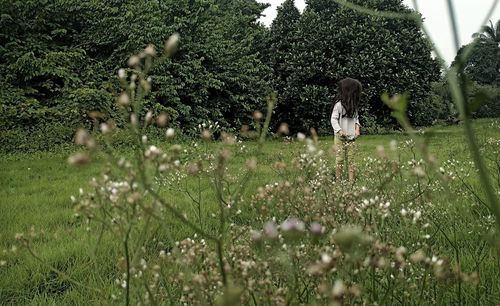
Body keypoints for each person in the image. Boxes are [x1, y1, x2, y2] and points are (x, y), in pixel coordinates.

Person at [330, 78, 362, 181]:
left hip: (351, 138)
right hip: (340, 138)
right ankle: (338, 181)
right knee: (339, 159)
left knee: (351, 160)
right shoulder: (338, 105)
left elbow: (356, 119)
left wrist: (357, 129)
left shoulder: (353, 106)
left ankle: (351, 181)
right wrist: (339, 131)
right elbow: (333, 119)